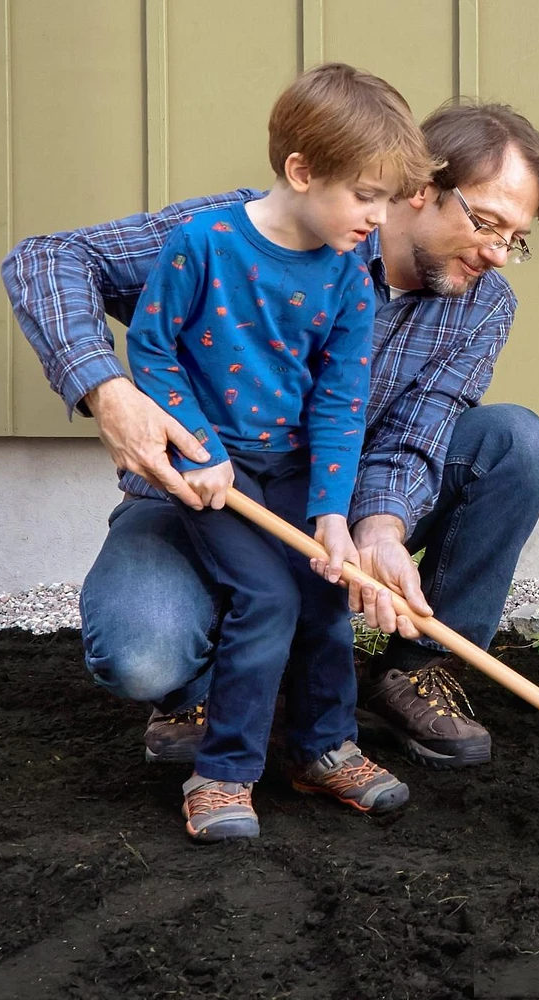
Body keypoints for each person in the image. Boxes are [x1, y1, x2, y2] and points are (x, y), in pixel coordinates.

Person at [2, 96, 539, 777]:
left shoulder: (482, 305)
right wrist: (108, 391)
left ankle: (411, 672)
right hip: (205, 494)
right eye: (488, 224)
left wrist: (380, 531)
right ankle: (196, 689)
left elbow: (420, 428)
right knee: (142, 657)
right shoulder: (242, 235)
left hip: (329, 496)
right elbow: (47, 258)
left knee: (515, 441)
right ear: (421, 191)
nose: (498, 255)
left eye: (516, 239)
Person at [119, 63, 437, 842]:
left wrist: (333, 513)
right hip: (215, 475)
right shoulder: (206, 243)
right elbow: (152, 353)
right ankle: (222, 773)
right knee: (266, 600)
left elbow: (339, 403)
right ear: (300, 171)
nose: (377, 216)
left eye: (387, 200)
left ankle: (324, 750)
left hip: (293, 471)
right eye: (365, 195)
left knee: (327, 593)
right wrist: (197, 447)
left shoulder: (349, 280)